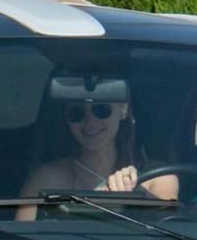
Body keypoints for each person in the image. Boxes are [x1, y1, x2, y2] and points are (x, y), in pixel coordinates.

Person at [15, 77, 176, 220]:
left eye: (101, 110)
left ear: (123, 110)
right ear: (66, 119)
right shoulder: (45, 180)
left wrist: (138, 195)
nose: (90, 122)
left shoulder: (160, 180)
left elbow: (169, 239)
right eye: (77, 113)